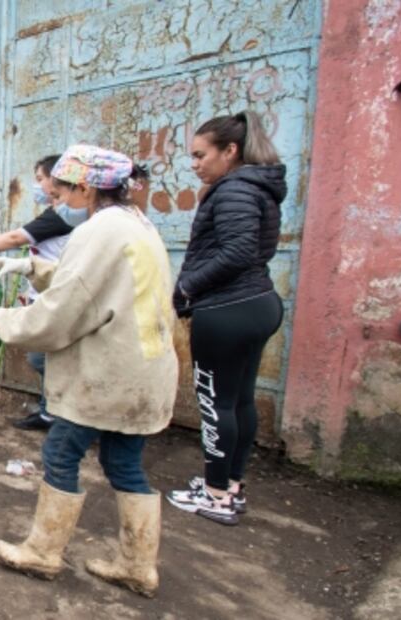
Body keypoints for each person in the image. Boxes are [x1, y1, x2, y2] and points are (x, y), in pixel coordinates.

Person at [0, 145, 176, 597]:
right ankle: (138, 566)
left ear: (85, 188)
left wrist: (0, 319)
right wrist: (30, 265)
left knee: (61, 453)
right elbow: (90, 282)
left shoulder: (99, 230)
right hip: (144, 372)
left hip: (108, 373)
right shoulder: (135, 223)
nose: (59, 200)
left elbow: (62, 312)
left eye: (62, 191)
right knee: (124, 464)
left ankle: (42, 553)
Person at [166, 111, 285, 526]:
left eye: (201, 155)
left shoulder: (234, 189)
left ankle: (216, 495)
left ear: (230, 151)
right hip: (257, 304)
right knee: (239, 400)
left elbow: (237, 252)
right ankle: (229, 485)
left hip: (227, 310)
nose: (195, 164)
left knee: (216, 403)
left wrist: (187, 287)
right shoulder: (257, 186)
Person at [0, 154, 91, 431]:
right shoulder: (59, 212)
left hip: (58, 292)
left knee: (43, 357)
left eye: (40, 179)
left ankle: (66, 413)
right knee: (43, 356)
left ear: (57, 180)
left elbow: (15, 238)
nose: (37, 185)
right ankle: (51, 410)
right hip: (45, 286)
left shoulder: (63, 215)